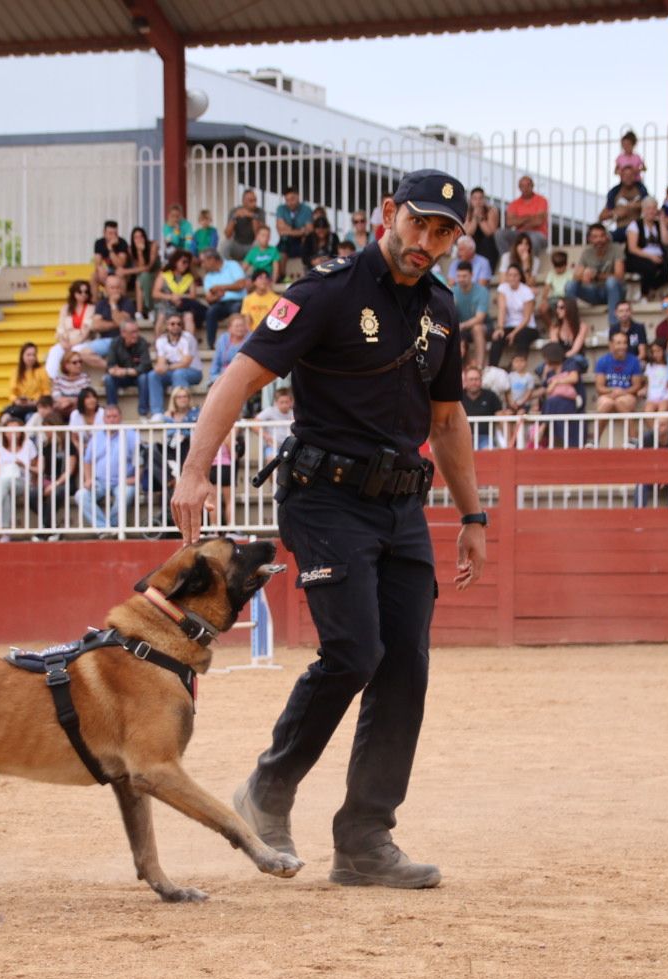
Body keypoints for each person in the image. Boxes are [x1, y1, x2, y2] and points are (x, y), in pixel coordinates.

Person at [171, 169, 484, 889]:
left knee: (405, 665)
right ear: (389, 214)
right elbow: (239, 377)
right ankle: (269, 788)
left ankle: (365, 840)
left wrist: (472, 514)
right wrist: (196, 469)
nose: (427, 242)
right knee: (354, 651)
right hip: (325, 498)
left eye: (443, 232)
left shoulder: (441, 307)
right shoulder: (327, 291)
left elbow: (446, 420)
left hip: (402, 506)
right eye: (419, 224)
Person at [73, 404, 139, 530]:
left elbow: (139, 460)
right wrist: (88, 479)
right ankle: (104, 528)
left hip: (123, 481)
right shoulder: (96, 437)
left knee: (125, 493)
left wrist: (136, 478)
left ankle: (112, 526)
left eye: (115, 416)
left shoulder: (131, 435)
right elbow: (87, 461)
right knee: (80, 495)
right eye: (108, 417)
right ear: (104, 419)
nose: (112, 419)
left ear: (120, 417)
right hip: (100, 482)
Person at [146, 312, 201, 416]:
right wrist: (162, 368)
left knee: (179, 373)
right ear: (167, 325)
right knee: (153, 375)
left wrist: (167, 367)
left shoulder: (188, 338)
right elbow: (161, 364)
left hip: (194, 371)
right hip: (173, 371)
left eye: (179, 324)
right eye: (172, 324)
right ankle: (157, 412)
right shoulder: (161, 340)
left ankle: (181, 412)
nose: (176, 326)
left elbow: (186, 363)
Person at [570, 222, 624, 322]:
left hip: (614, 291)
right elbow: (576, 276)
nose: (599, 240)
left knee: (611, 282)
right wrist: (584, 275)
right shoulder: (587, 253)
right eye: (595, 237)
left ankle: (614, 327)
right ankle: (571, 324)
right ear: (589, 239)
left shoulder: (616, 248)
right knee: (570, 285)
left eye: (602, 236)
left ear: (607, 237)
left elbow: (619, 276)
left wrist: (596, 275)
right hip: (594, 292)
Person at [489, 264, 536, 368]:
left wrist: (514, 333)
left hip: (526, 326)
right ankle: (492, 369)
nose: (512, 278)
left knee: (522, 336)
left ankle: (517, 367)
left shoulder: (527, 291)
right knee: (497, 336)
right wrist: (500, 328)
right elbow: (502, 309)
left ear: (520, 276)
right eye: (510, 275)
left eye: (515, 275)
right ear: (506, 276)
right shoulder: (502, 288)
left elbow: (527, 318)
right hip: (509, 325)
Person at [102, 319, 151, 415]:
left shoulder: (142, 342)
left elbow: (146, 365)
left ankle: (143, 413)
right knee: (108, 379)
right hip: (121, 377)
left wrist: (126, 371)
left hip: (137, 377)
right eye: (133, 332)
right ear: (123, 333)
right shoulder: (115, 343)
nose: (136, 335)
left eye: (137, 331)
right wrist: (114, 371)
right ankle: (112, 412)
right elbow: (111, 366)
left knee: (144, 377)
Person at [623, 199, 668, 299]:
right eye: (648, 208)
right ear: (643, 210)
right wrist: (651, 257)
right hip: (638, 257)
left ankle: (653, 288)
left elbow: (666, 241)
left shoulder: (658, 225)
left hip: (658, 256)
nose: (652, 211)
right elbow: (632, 248)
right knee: (649, 267)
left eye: (654, 208)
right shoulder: (635, 225)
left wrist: (662, 221)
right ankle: (645, 294)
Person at [451, 261, 492, 367]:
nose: (461, 279)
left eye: (464, 276)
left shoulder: (482, 291)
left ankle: (479, 366)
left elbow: (480, 318)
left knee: (476, 328)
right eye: (458, 276)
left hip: (484, 326)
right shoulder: (452, 291)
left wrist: (462, 326)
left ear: (471, 275)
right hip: (461, 328)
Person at [593, 329, 642, 415]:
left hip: (628, 394)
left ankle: (633, 429)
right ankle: (597, 429)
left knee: (621, 402)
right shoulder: (602, 361)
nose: (622, 346)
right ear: (611, 345)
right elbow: (599, 387)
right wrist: (614, 391)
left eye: (624, 343)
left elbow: (636, 386)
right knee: (606, 403)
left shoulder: (634, 361)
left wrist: (623, 392)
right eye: (618, 343)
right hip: (608, 394)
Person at [499, 175, 550, 256]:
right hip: (520, 234)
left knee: (533, 239)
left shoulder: (542, 200)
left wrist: (519, 220)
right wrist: (529, 217)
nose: (525, 188)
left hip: (538, 234)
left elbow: (538, 221)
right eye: (522, 186)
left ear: (532, 186)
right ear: (519, 188)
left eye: (528, 185)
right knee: (500, 234)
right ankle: (508, 260)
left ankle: (531, 264)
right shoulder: (514, 203)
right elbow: (509, 222)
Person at [274, 187, 313, 277]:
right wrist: (301, 230)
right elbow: (281, 232)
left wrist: (288, 230)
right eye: (287, 200)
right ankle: (282, 276)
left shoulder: (306, 209)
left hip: (302, 242)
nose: (290, 202)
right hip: (286, 241)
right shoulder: (281, 209)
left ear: (298, 197)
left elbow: (309, 230)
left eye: (292, 199)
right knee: (281, 246)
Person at [462, 186, 501, 269]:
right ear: (471, 200)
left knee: (487, 241)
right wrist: (474, 219)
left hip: (489, 244)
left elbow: (489, 232)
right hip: (473, 243)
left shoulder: (491, 210)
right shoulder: (468, 212)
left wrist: (480, 218)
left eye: (480, 198)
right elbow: (468, 233)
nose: (478, 202)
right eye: (475, 199)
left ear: (484, 200)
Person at [222, 189, 262, 262]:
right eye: (251, 201)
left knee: (258, 244)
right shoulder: (234, 211)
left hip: (251, 246)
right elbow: (227, 234)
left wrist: (253, 216)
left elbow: (259, 235)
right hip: (237, 245)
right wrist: (234, 217)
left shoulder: (260, 212)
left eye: (255, 200)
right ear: (244, 201)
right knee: (225, 244)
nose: (254, 203)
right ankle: (226, 269)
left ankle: (256, 271)